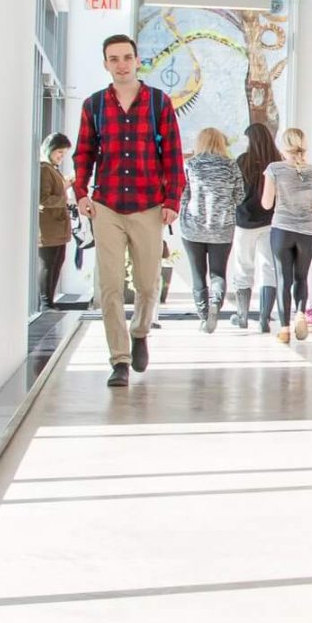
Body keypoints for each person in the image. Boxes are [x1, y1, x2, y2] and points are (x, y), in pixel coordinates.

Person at [73, 34, 186, 388]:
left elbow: (173, 156)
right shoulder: (94, 106)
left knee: (147, 284)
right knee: (108, 286)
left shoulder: (158, 103)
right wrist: (80, 193)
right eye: (113, 58)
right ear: (106, 64)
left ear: (137, 60)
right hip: (106, 205)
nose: (121, 64)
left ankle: (139, 332)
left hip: (148, 205)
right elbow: (83, 154)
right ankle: (119, 360)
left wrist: (172, 201)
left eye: (126, 57)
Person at [261, 128, 312, 343]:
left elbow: (267, 203)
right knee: (301, 277)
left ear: (283, 145)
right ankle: (299, 313)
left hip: (282, 229)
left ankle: (285, 329)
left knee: (283, 278)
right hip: (307, 231)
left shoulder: (274, 169)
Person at [180, 127, 243, 334]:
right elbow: (240, 196)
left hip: (193, 227)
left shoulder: (191, 165)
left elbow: (183, 196)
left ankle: (203, 317)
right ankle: (216, 302)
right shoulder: (231, 166)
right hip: (222, 228)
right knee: (218, 272)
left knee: (198, 274)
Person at [230, 123, 281, 331]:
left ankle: (242, 316)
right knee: (268, 268)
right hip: (270, 222)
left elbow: (236, 192)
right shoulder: (277, 162)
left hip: (244, 222)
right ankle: (264, 319)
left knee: (243, 267)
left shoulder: (243, 161)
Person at [37, 133, 73, 309]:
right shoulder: (45, 169)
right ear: (50, 150)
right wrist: (65, 200)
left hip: (57, 227)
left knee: (56, 263)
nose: (61, 156)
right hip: (49, 228)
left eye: (64, 153)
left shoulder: (52, 169)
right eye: (59, 152)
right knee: (49, 264)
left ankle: (48, 301)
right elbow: (43, 199)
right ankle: (46, 303)